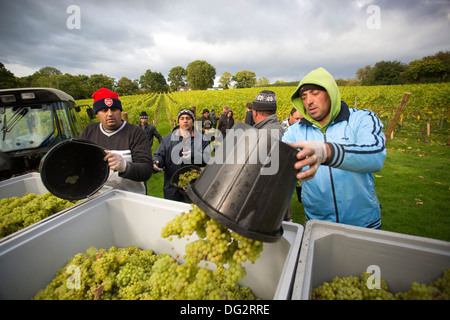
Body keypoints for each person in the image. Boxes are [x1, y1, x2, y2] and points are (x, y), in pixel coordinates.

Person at [282, 67, 386, 229]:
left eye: (315, 93)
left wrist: (327, 152)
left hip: (364, 224)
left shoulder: (361, 119)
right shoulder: (294, 132)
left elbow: (375, 156)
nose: (308, 101)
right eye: (304, 97)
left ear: (331, 93)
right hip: (317, 224)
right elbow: (279, 168)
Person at [80, 88, 153, 195]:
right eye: (104, 110)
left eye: (114, 109)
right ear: (97, 114)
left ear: (120, 111)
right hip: (99, 198)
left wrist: (124, 166)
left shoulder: (135, 133)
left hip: (132, 197)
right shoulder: (89, 131)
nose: (110, 114)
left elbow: (146, 170)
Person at [153, 108, 211, 202]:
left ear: (192, 121)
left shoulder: (201, 139)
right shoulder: (168, 139)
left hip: (194, 188)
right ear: (178, 121)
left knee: (191, 213)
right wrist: (156, 161)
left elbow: (207, 159)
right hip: (172, 188)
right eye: (182, 118)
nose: (185, 121)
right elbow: (159, 155)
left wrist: (193, 155)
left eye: (188, 118)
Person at [251, 90, 291, 220]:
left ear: (255, 112)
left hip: (270, 203)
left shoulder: (265, 134)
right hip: (280, 199)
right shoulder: (278, 128)